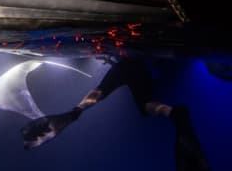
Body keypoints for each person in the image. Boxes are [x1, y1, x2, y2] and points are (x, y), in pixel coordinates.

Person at [21, 55, 211, 171]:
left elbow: (100, 92)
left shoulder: (122, 63)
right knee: (143, 105)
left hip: (130, 65)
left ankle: (173, 113)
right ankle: (172, 113)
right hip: (137, 67)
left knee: (109, 92)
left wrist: (75, 112)